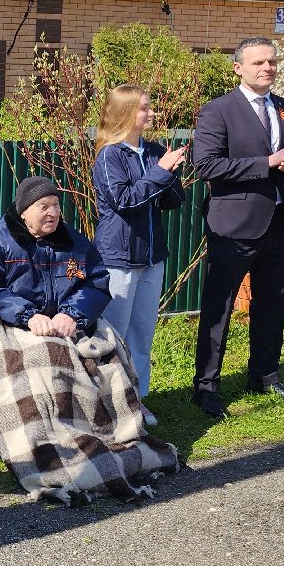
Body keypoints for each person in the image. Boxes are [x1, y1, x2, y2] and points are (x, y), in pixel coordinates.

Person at [191, 37, 284, 418]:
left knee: (273, 303)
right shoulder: (218, 111)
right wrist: (268, 162)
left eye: (273, 62)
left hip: (280, 222)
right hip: (234, 225)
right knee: (220, 307)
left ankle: (264, 376)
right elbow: (206, 166)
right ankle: (206, 386)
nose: (268, 68)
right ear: (238, 68)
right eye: (259, 62)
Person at [92, 84, 187, 424]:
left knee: (142, 335)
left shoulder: (153, 150)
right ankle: (111, 405)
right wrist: (160, 171)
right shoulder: (109, 155)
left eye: (149, 107)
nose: (150, 113)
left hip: (151, 258)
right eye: (144, 108)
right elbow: (125, 202)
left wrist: (172, 171)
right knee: (114, 338)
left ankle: (138, 401)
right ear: (125, 113)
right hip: (118, 258)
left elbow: (175, 201)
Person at [0, 174, 111, 339]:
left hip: (63, 323)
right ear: (23, 212)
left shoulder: (73, 242)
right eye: (44, 207)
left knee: (109, 356)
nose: (54, 213)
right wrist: (28, 315)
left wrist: (72, 314)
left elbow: (95, 281)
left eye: (56, 205)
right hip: (12, 321)